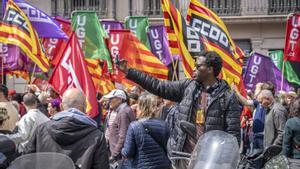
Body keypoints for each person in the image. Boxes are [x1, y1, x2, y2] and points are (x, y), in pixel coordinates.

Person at [117, 51, 241, 168]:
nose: (194, 69)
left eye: (198, 66)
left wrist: (225, 163)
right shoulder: (188, 87)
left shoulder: (227, 97)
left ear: (210, 69)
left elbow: (232, 137)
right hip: (183, 157)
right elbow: (158, 86)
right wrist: (129, 72)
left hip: (210, 161)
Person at [24, 88, 109, 169]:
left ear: (61, 106)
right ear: (85, 106)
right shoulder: (97, 136)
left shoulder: (41, 130)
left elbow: (27, 161)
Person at [122, 93, 171, 169]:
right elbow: (168, 148)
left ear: (141, 108)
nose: (136, 109)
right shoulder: (164, 125)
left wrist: (122, 151)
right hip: (163, 165)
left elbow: (128, 153)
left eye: (138, 106)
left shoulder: (134, 126)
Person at [103, 89, 135, 166]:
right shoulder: (125, 110)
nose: (109, 101)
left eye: (111, 99)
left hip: (119, 156)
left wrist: (114, 155)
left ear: (120, 100)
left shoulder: (123, 113)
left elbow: (123, 137)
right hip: (120, 154)